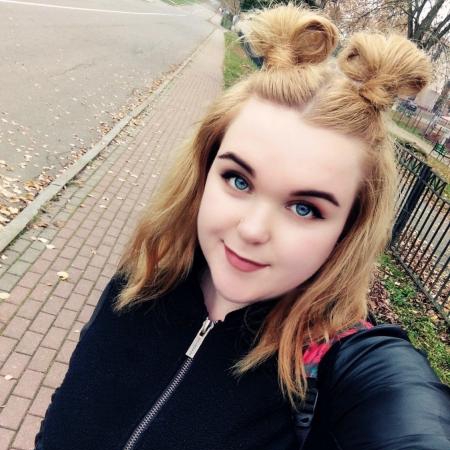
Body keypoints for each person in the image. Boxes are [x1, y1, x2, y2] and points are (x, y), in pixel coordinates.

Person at [34, 4, 450, 450]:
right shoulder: (143, 277)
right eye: (238, 180)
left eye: (304, 208)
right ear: (204, 170)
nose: (252, 230)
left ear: (349, 229)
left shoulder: (332, 372)